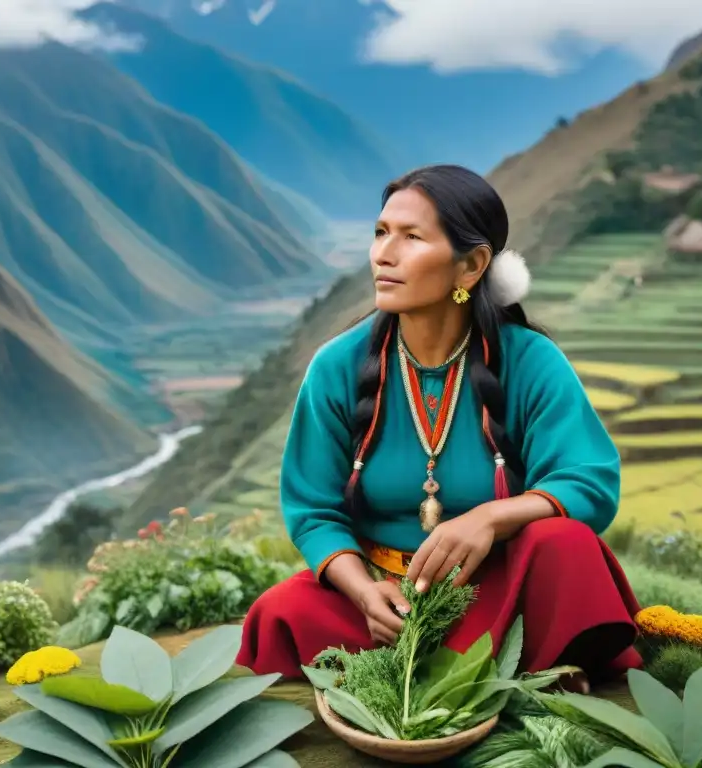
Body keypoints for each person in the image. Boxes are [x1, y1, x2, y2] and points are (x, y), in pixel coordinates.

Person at [235, 164, 642, 691]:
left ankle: (507, 660)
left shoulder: (530, 361)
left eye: (411, 237)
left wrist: (493, 518)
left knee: (565, 544)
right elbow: (313, 510)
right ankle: (518, 667)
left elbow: (589, 480)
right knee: (280, 612)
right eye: (381, 233)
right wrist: (362, 592)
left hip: (496, 593)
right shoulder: (336, 367)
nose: (384, 253)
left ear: (470, 266)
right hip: (385, 604)